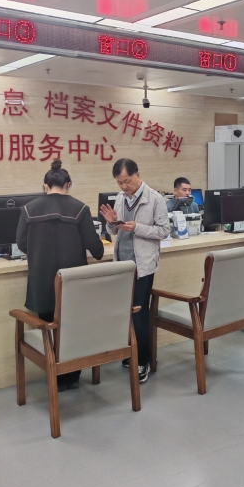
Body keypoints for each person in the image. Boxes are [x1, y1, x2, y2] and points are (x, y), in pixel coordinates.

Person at [16, 160, 104, 391]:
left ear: (45, 186)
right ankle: (72, 377)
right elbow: (96, 249)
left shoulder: (28, 209)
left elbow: (21, 243)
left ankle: (55, 377)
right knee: (72, 328)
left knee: (48, 328)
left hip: (42, 283)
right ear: (68, 185)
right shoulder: (81, 209)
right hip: (73, 283)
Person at [100, 158, 171, 384]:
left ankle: (143, 361)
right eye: (119, 182)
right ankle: (132, 352)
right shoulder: (121, 198)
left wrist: (137, 228)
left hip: (143, 265)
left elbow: (164, 231)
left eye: (127, 181)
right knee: (126, 312)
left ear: (137, 174)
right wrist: (111, 222)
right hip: (123, 264)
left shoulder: (155, 199)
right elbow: (115, 231)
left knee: (140, 314)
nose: (123, 187)